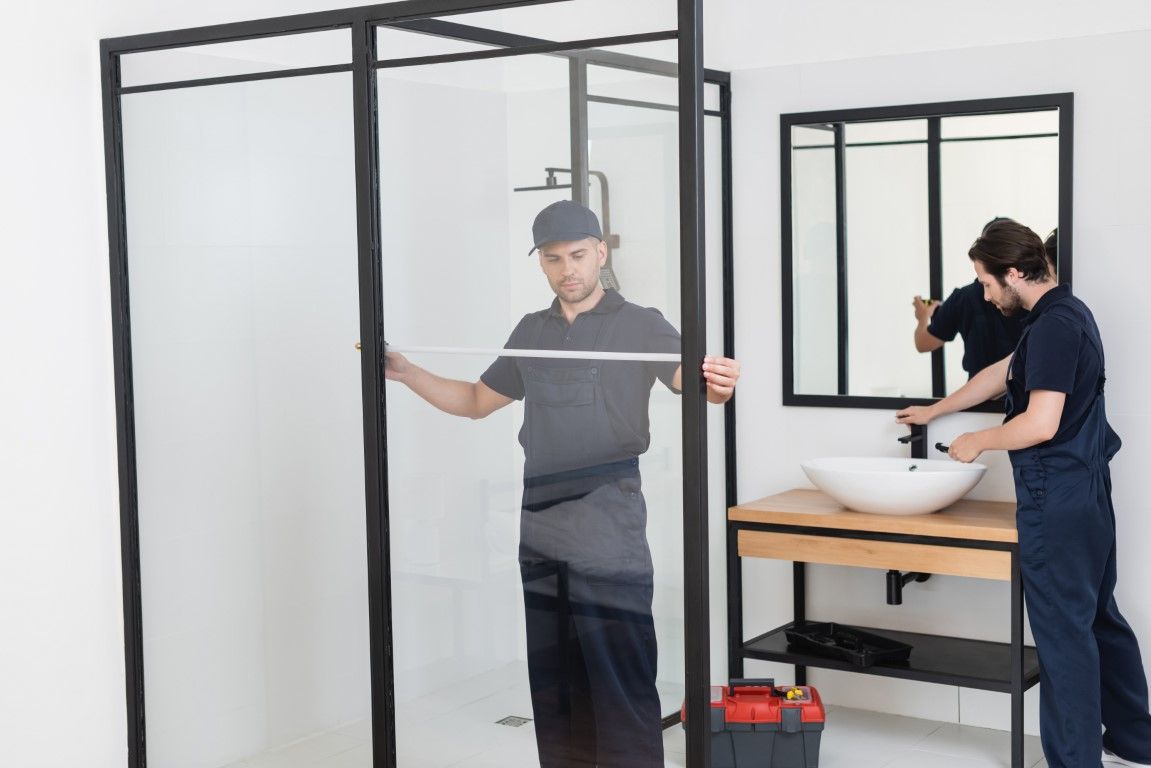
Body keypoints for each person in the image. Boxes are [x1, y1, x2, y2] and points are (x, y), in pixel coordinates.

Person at [384, 200, 740, 768]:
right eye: (553, 259)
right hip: (542, 514)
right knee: (555, 673)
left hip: (607, 514)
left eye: (577, 255)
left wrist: (718, 383)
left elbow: (692, 382)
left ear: (601, 252)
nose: (567, 269)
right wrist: (407, 375)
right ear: (541, 265)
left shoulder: (639, 323)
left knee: (618, 665)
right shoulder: (533, 330)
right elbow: (477, 401)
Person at [896, 218, 1151, 768]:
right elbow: (1000, 373)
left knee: (1063, 636)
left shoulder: (1054, 325)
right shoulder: (1061, 314)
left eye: (988, 284)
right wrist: (938, 410)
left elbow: (1040, 423)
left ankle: (1074, 760)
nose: (985, 296)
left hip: (1055, 498)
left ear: (1014, 273)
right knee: (1097, 617)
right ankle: (1135, 739)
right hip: (1084, 493)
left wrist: (976, 441)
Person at [912, 219, 1026, 380]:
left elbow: (923, 343)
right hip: (984, 397)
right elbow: (924, 344)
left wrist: (922, 318)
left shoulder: (963, 298)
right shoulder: (963, 299)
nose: (988, 297)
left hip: (993, 399)